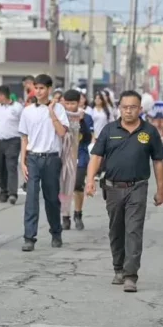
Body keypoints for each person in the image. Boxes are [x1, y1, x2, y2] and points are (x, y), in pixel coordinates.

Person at [85, 90, 163, 293]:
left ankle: (131, 275)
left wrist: (161, 190)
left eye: (133, 107)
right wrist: (90, 181)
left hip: (138, 186)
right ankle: (118, 268)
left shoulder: (149, 132)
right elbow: (96, 157)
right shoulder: (109, 130)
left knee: (133, 230)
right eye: (125, 107)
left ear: (140, 109)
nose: (128, 111)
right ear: (119, 108)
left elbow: (158, 162)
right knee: (116, 230)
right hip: (113, 188)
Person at [18, 74, 68, 252]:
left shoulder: (59, 109)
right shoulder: (27, 111)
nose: (38, 91)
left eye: (42, 88)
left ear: (49, 89)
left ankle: (56, 232)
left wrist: (52, 112)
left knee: (51, 198)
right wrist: (22, 161)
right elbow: (24, 137)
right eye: (36, 88)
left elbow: (62, 133)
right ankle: (29, 237)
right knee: (31, 198)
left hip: (51, 158)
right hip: (33, 158)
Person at [59, 89, 93, 231]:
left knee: (78, 185)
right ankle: (65, 216)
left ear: (79, 103)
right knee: (64, 186)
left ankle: (78, 214)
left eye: (72, 103)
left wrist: (81, 121)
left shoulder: (86, 117)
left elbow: (88, 138)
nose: (69, 106)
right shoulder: (60, 116)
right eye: (67, 103)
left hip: (80, 155)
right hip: (64, 155)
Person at [0, 85, 22, 205]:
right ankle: (3, 191)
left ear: (3, 95)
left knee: (11, 166)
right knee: (0, 167)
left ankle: (12, 193)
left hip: (13, 141)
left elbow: (24, 124)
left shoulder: (17, 107)